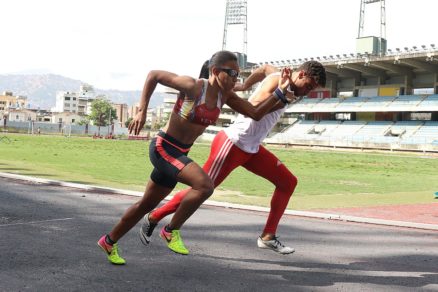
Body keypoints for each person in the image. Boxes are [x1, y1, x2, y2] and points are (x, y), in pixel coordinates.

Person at [97, 50, 295, 264]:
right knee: (204, 186)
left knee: (146, 205)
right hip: (164, 147)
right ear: (215, 71)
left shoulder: (225, 96)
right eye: (231, 73)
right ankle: (171, 230)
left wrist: (281, 95)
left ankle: (109, 241)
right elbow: (154, 75)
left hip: (180, 152)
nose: (236, 79)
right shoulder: (193, 86)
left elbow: (255, 113)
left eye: (238, 75)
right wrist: (142, 110)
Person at [139, 61, 326, 254]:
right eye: (309, 86)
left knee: (288, 182)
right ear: (302, 74)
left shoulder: (282, 77)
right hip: (233, 144)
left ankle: (268, 236)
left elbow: (264, 68)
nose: (308, 92)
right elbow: (253, 108)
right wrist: (282, 97)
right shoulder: (279, 83)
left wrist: (245, 85)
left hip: (252, 148)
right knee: (201, 189)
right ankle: (154, 218)